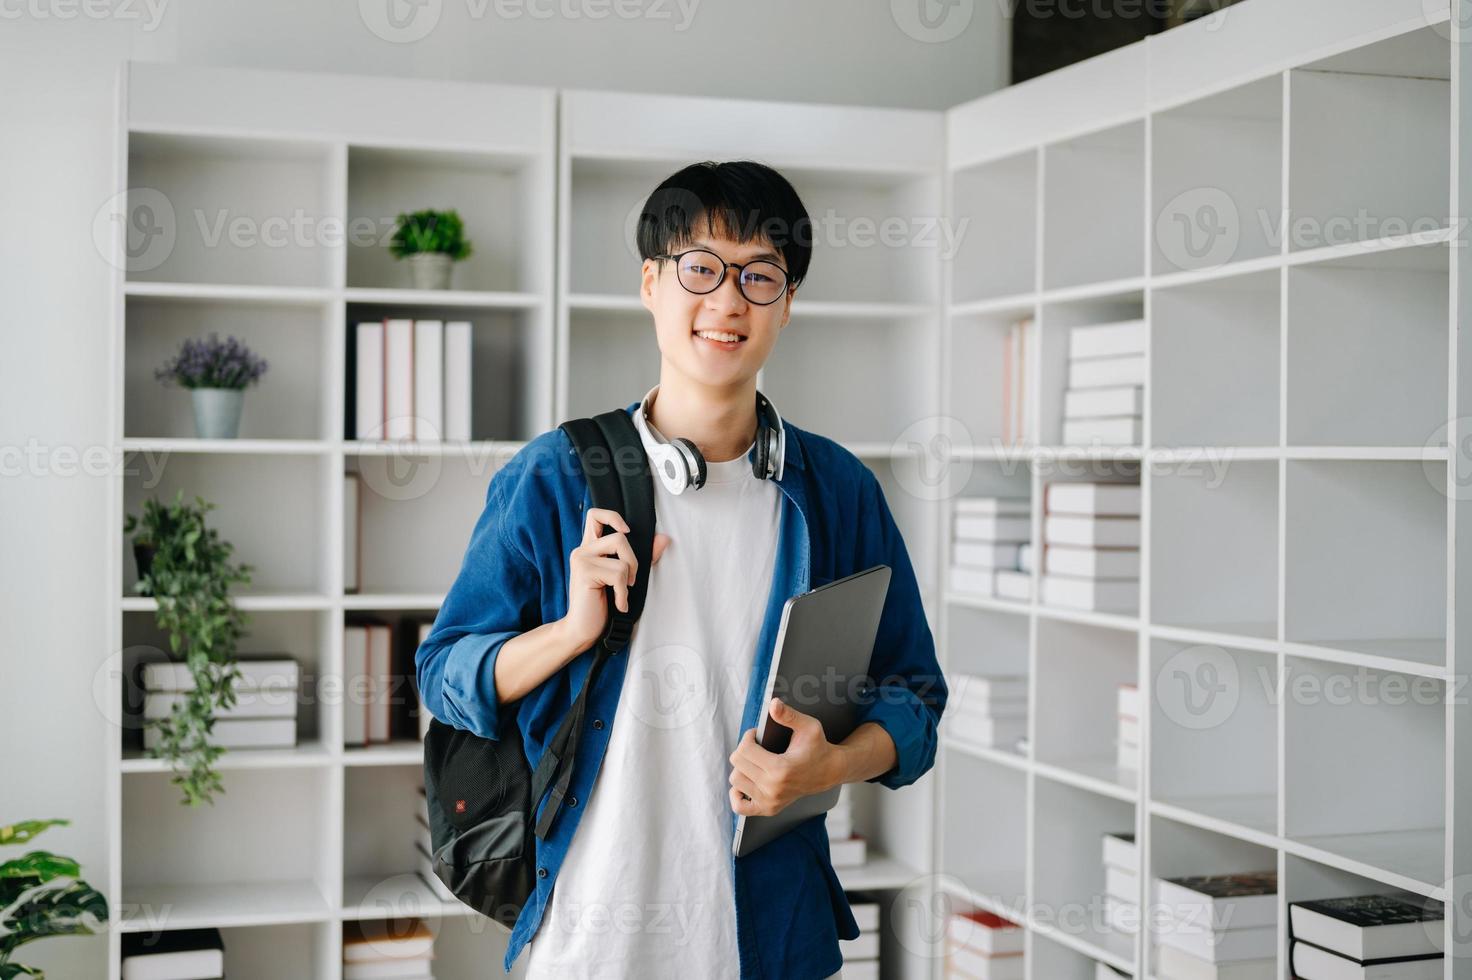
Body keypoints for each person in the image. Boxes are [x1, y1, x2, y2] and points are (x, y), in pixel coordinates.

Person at [415, 160, 947, 979]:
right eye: (700, 268)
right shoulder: (554, 476)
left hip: (766, 940)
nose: (728, 300)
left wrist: (833, 766)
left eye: (760, 275)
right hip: (587, 941)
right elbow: (443, 672)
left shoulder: (839, 492)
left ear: (788, 303)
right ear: (650, 283)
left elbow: (915, 694)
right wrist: (569, 631)